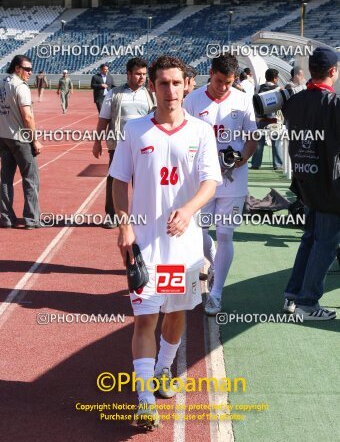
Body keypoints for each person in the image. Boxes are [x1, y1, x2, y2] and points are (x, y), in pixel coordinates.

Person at [110, 55, 221, 428]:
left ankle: (163, 370)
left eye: (176, 83)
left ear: (186, 85)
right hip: (145, 247)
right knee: (144, 321)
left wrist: (188, 210)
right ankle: (144, 399)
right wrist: (124, 226)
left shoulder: (200, 132)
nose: (170, 91)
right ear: (152, 87)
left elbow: (210, 182)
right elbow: (118, 181)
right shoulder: (135, 130)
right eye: (163, 84)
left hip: (184, 250)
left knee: (174, 316)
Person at [184, 53, 257, 315]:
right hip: (201, 180)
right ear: (210, 73)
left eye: (228, 82)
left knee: (225, 233)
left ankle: (216, 294)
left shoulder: (242, 99)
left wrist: (242, 159)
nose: (223, 87)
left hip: (233, 180)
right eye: (218, 81)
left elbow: (252, 139)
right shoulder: (192, 100)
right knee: (197, 232)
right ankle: (214, 262)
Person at [282, 47, 340, 321]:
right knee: (325, 243)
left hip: (305, 181)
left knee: (310, 238)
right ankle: (307, 302)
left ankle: (292, 295)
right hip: (330, 185)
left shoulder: (294, 101)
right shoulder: (334, 104)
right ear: (333, 71)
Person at [92, 58, 155, 229]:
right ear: (128, 74)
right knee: (115, 180)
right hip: (120, 145)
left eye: (144, 74)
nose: (142, 77)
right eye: (138, 74)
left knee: (143, 181)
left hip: (144, 147)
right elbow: (103, 119)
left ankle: (140, 215)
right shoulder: (114, 94)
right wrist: (97, 142)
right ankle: (112, 215)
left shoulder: (150, 94)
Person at [0, 55, 43, 229]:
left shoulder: (2, 82)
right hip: (20, 138)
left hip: (3, 137)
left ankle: (6, 218)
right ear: (17, 68)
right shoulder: (20, 86)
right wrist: (35, 140)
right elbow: (27, 116)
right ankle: (32, 219)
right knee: (31, 179)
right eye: (27, 69)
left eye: (31, 69)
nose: (30, 73)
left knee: (5, 179)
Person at [251, 68, 283, 170]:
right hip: (274, 120)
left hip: (260, 120)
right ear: (275, 78)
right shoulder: (279, 89)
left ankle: (256, 164)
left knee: (259, 143)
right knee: (276, 143)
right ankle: (277, 164)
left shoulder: (258, 88)